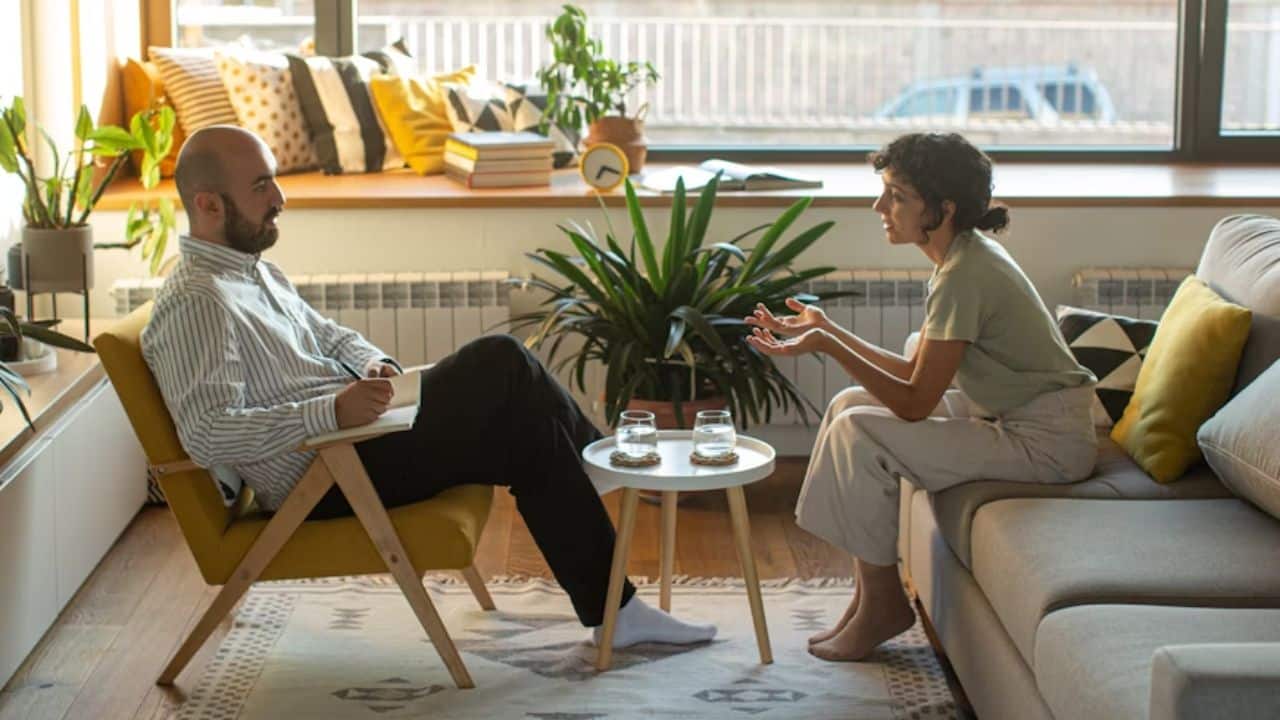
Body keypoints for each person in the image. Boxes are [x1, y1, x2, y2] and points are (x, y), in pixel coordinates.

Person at [142, 126, 716, 650]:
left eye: (274, 180)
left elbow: (331, 335)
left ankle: (616, 613)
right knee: (499, 359)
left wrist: (375, 364)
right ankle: (592, 468)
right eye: (261, 185)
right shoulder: (198, 301)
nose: (280, 198)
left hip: (359, 438)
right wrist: (331, 412)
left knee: (533, 435)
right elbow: (208, 433)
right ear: (209, 204)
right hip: (326, 475)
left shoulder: (253, 271)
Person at [745, 132, 1098, 662]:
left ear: (943, 207)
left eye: (897, 196)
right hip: (1009, 416)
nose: (879, 207)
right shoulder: (963, 259)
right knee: (848, 406)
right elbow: (917, 375)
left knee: (859, 431)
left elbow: (914, 402)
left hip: (1046, 442)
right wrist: (828, 330)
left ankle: (884, 603)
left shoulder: (965, 274)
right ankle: (869, 598)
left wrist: (828, 345)